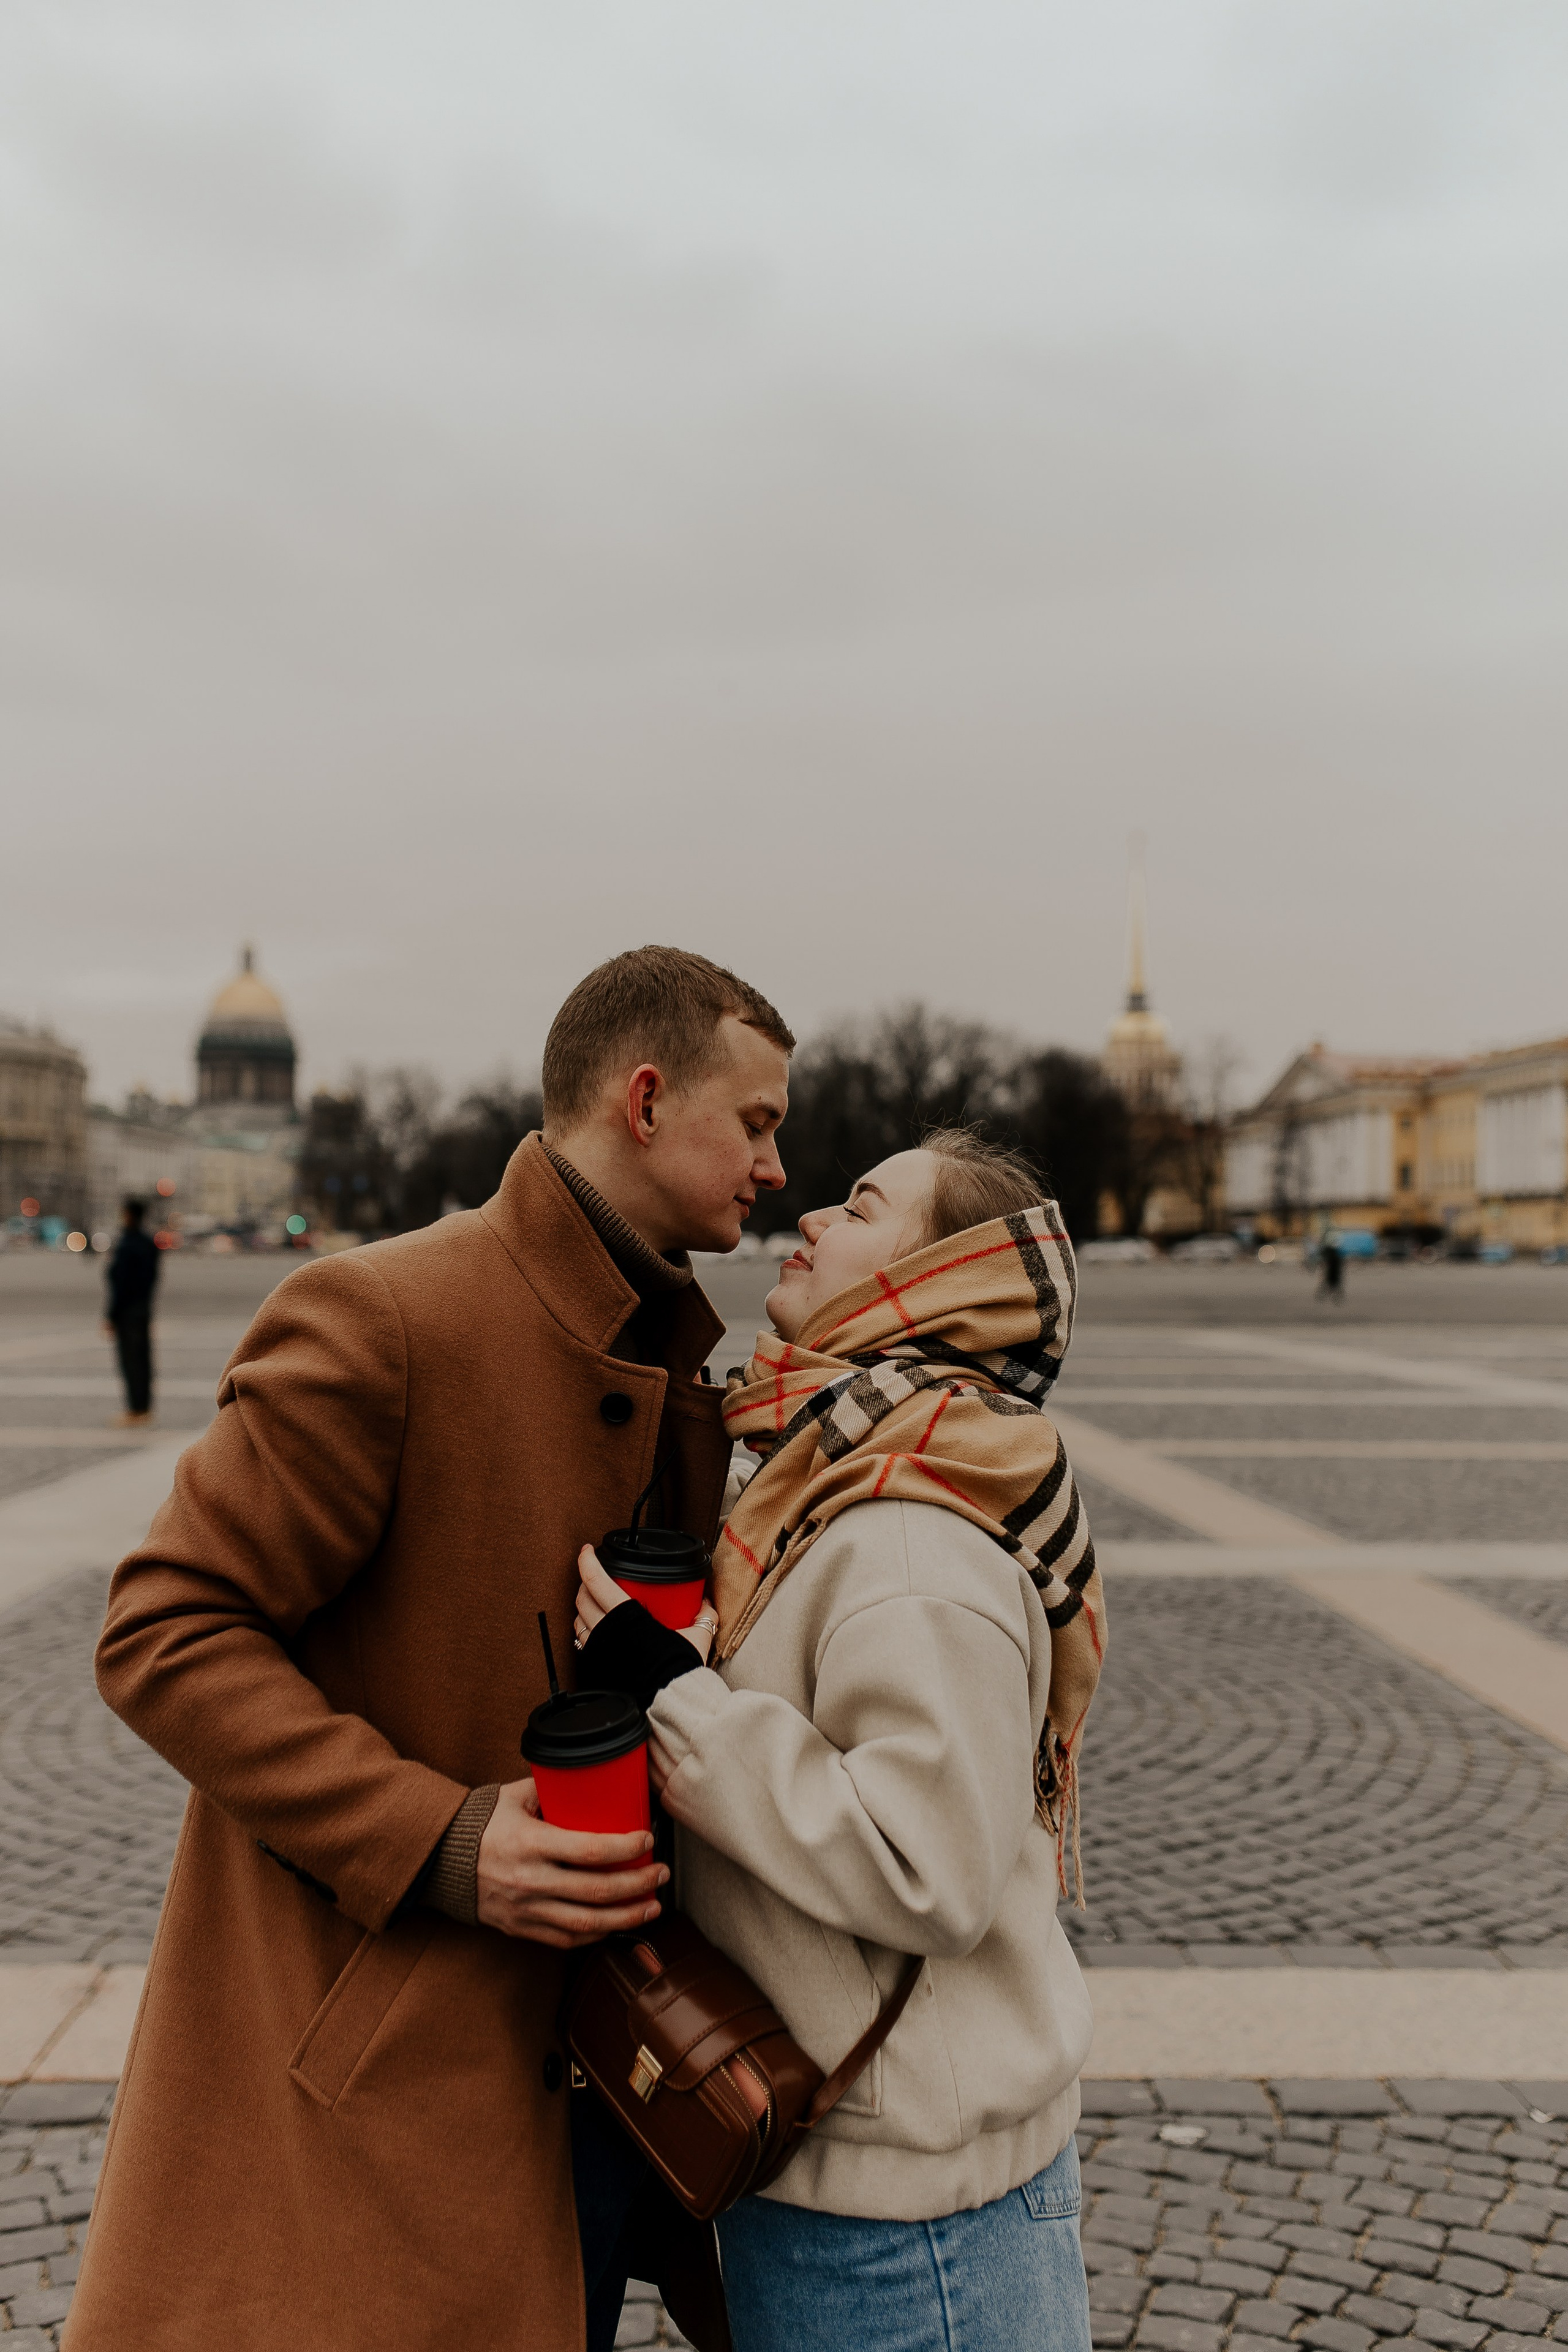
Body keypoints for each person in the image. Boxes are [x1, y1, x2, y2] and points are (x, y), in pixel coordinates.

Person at [72, 946, 793, 2352]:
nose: (776, 1164)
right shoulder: (387, 1313)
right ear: (644, 1099)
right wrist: (448, 1838)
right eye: (756, 1121)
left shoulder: (674, 1350)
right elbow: (161, 1629)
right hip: (405, 2075)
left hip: (615, 2064)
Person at [573, 1129, 1106, 2352]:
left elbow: (928, 1865)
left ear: (937, 1280)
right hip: (858, 2173)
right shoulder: (832, 1468)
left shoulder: (906, 1533)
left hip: (908, 2228)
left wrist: (671, 1692)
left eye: (861, 1207)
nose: (810, 1216)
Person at [103, 1196, 159, 1423]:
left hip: (128, 1312)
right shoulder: (148, 1243)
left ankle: (136, 1409)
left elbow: (121, 1285)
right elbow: (152, 1278)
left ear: (129, 1215)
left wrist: (111, 1316)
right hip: (143, 1308)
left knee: (130, 1361)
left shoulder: (128, 1244)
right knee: (143, 1359)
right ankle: (144, 1407)